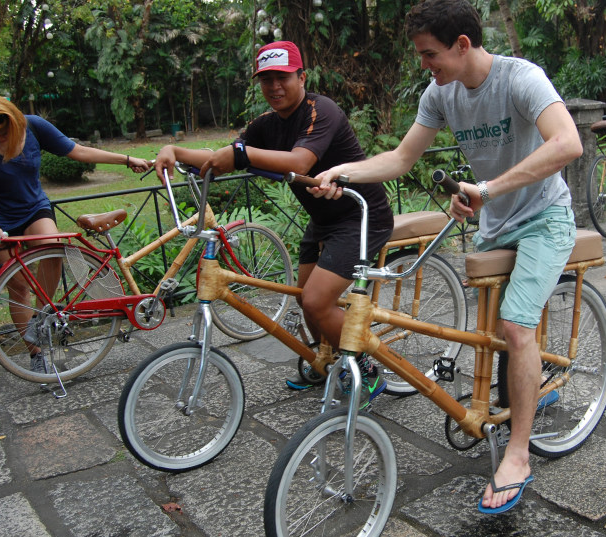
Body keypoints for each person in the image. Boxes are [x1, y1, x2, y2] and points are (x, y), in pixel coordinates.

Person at [313, 0, 582, 514]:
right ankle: (510, 397)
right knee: (491, 335)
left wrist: (488, 187)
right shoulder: (440, 93)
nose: (424, 65)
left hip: (545, 218)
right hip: (494, 220)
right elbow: (400, 158)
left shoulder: (520, 78)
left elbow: (568, 143)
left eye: (430, 54)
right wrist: (342, 171)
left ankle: (519, 456)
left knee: (516, 327)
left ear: (462, 45)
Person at [153, 41, 394, 404]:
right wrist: (175, 151)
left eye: (282, 78)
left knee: (315, 301)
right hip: (322, 218)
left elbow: (299, 160)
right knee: (305, 294)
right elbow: (226, 156)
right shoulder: (265, 125)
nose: (275, 87)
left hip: (361, 215)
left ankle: (364, 367)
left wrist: (241, 153)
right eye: (266, 80)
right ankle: (326, 359)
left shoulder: (320, 110)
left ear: (302, 76)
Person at [0, 95, 151, 374]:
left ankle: (41, 321)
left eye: (3, 133)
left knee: (53, 247)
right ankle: (36, 354)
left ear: (13, 121)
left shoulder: (34, 127)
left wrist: (126, 159)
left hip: (32, 208)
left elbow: (79, 151)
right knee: (18, 287)